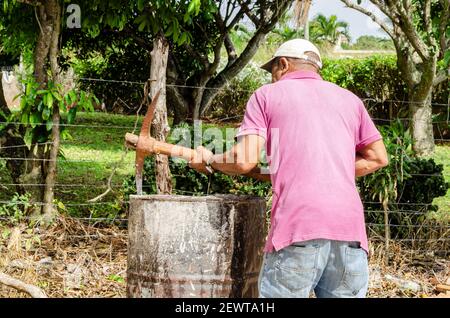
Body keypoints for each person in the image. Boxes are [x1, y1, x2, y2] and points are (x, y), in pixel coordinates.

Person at [189, 39, 388, 298]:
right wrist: (323, 169)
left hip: (298, 229)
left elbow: (243, 159)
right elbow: (378, 158)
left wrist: (210, 159)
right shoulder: (350, 100)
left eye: (273, 70)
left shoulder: (267, 95)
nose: (272, 78)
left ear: (283, 64)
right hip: (350, 234)